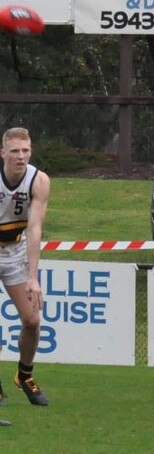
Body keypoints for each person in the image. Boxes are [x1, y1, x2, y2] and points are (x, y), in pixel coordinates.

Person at [0, 127, 50, 408]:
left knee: (32, 321)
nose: (21, 157)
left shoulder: (39, 181)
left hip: (15, 250)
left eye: (26, 151)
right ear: (3, 153)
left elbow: (35, 229)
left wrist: (33, 277)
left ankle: (24, 376)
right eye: (15, 151)